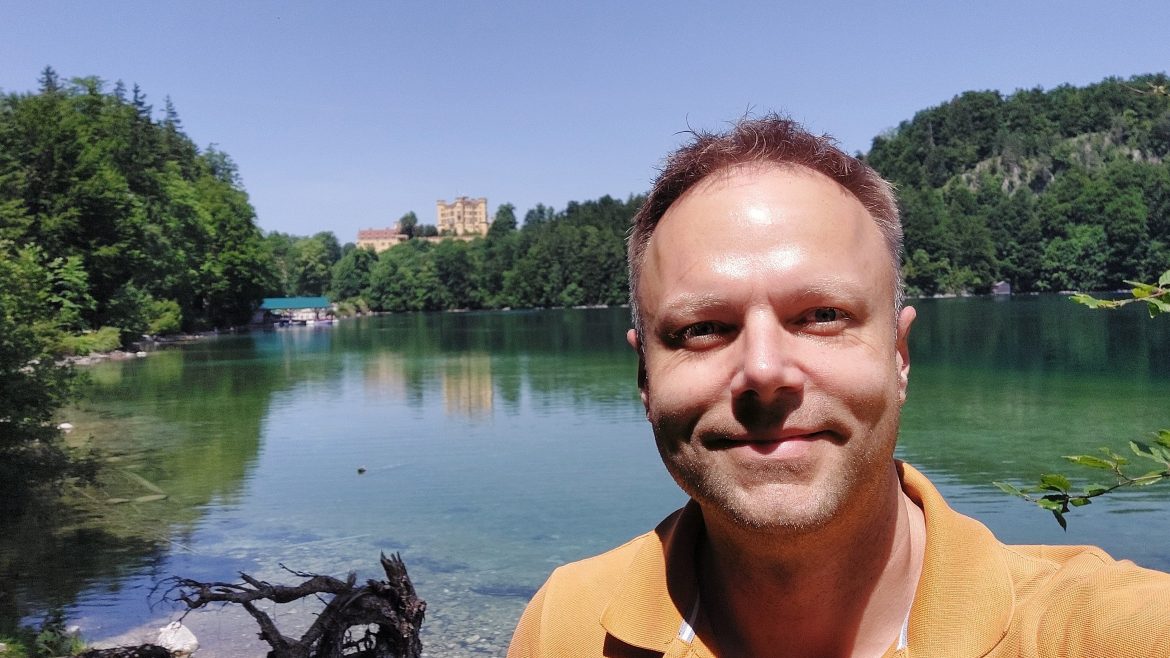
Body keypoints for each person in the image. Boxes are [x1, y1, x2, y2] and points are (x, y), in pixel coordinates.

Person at [506, 115, 1170, 657]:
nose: (765, 371)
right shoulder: (568, 626)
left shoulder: (1099, 633)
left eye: (823, 316)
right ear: (645, 378)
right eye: (704, 327)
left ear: (900, 357)